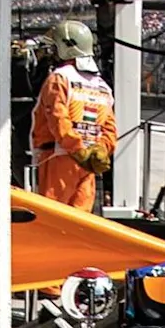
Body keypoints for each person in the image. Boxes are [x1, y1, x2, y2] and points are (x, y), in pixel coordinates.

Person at [29, 19, 116, 212]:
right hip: (89, 165)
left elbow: (58, 120)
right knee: (81, 223)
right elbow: (110, 129)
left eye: (54, 47)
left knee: (52, 219)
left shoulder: (59, 78)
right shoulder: (102, 86)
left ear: (65, 47)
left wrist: (77, 150)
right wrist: (101, 151)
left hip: (57, 159)